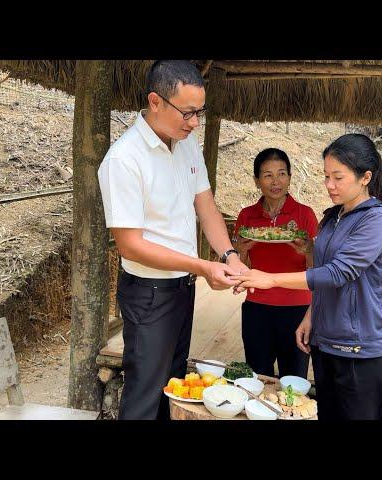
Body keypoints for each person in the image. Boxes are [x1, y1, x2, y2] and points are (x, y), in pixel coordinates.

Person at [97, 60, 249, 420]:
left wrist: (229, 254)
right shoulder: (124, 159)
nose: (195, 122)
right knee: (144, 396)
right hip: (149, 292)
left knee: (173, 385)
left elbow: (206, 207)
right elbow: (130, 245)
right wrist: (201, 265)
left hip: (182, 286)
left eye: (200, 111)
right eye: (188, 112)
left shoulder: (187, 145)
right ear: (155, 101)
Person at [232, 134, 382, 420]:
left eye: (338, 177)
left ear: (366, 177)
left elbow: (338, 272)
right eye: (326, 176)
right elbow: (323, 275)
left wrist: (271, 279)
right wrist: (311, 315)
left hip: (359, 349)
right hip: (325, 343)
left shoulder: (376, 219)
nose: (329, 185)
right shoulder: (333, 218)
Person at [234, 148, 318, 379]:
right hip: (257, 307)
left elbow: (317, 271)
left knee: (294, 379)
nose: (275, 181)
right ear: (257, 181)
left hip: (297, 309)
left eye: (281, 173)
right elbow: (241, 269)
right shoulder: (246, 217)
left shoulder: (305, 215)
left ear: (290, 178)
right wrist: (241, 252)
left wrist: (309, 250)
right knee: (257, 377)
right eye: (268, 175)